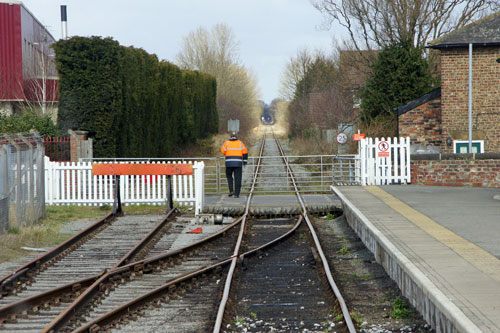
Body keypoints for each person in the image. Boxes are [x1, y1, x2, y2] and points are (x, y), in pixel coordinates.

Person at [221, 131, 248, 198]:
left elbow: (223, 151)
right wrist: (245, 161)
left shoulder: (226, 143)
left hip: (229, 163)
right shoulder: (240, 143)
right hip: (238, 163)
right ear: (236, 136)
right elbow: (245, 152)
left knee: (229, 176)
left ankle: (231, 190)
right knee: (238, 178)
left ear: (230, 137)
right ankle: (236, 194)